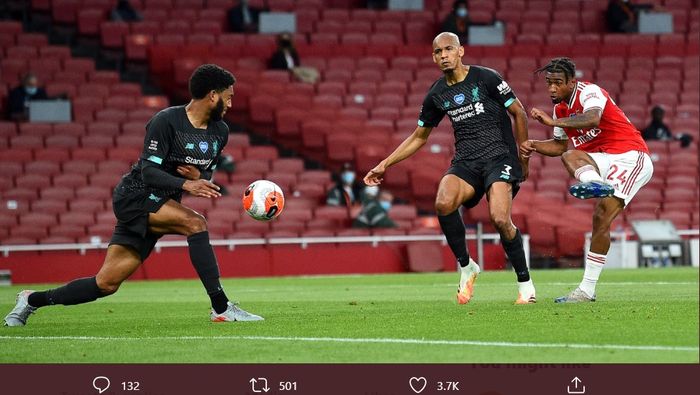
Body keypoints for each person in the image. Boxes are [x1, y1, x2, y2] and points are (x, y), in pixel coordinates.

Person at [4, 64, 263, 327]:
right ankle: (221, 307)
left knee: (105, 284)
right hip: (135, 195)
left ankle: (30, 300)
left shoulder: (220, 132)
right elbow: (149, 172)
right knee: (196, 223)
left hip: (162, 205)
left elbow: (205, 174)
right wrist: (186, 184)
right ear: (212, 95)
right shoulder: (167, 121)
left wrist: (197, 178)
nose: (231, 103)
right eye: (228, 96)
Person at [364, 32, 536, 305]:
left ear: (461, 51)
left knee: (500, 219)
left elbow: (519, 112)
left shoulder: (486, 78)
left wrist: (523, 158)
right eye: (437, 52)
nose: (443, 55)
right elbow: (419, 136)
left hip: (499, 157)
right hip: (466, 161)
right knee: (443, 202)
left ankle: (525, 285)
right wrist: (384, 164)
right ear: (433, 57)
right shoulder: (437, 93)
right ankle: (467, 266)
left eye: (448, 49)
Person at [523, 57, 653, 303]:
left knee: (602, 216)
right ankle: (587, 291)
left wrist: (552, 122)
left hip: (630, 156)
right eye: (549, 83)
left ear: (572, 82)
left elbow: (592, 118)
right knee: (572, 156)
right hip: (602, 160)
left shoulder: (589, 92)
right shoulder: (560, 109)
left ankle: (587, 289)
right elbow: (560, 146)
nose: (552, 88)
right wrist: (534, 145)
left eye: (557, 83)